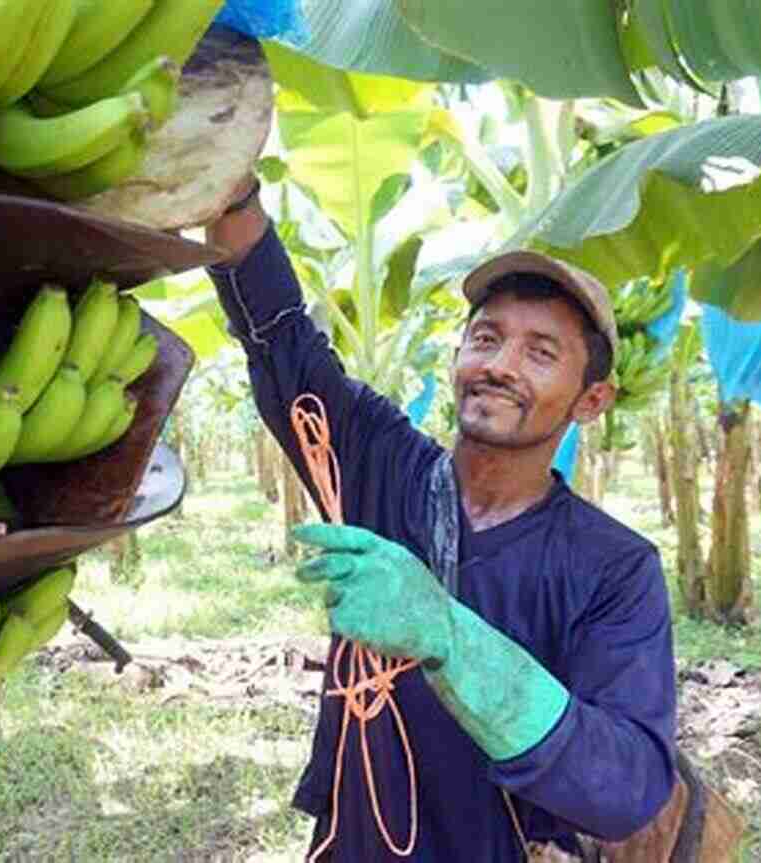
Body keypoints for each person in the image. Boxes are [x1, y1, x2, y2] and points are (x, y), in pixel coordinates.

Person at [203, 177, 678, 861]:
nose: (500, 365)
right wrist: (231, 192)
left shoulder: (615, 567)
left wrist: (449, 636)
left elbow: (626, 788)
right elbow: (280, 339)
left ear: (591, 400)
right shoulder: (380, 463)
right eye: (485, 337)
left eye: (541, 352)